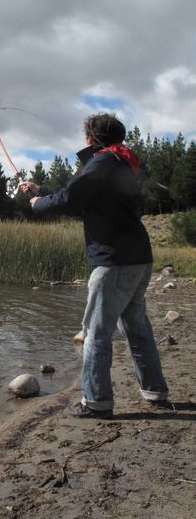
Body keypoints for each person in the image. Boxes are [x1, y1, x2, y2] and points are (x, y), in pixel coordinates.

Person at [20, 113, 168, 419]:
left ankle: (96, 401)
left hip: (114, 261)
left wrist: (38, 204)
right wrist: (41, 191)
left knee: (96, 333)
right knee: (137, 328)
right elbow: (85, 200)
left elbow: (71, 198)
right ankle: (155, 391)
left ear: (91, 138)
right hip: (138, 258)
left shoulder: (102, 162)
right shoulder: (121, 163)